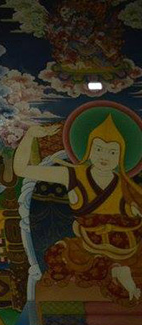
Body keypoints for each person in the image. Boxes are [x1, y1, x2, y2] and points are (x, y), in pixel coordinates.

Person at [14, 116, 142, 301]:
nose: (104, 157)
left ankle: (116, 270)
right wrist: (30, 136)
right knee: (58, 256)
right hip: (88, 244)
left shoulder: (126, 185)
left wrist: (132, 212)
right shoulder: (72, 174)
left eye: (112, 152)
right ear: (88, 150)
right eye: (99, 149)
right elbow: (22, 170)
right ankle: (116, 271)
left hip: (123, 247)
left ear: (121, 156)